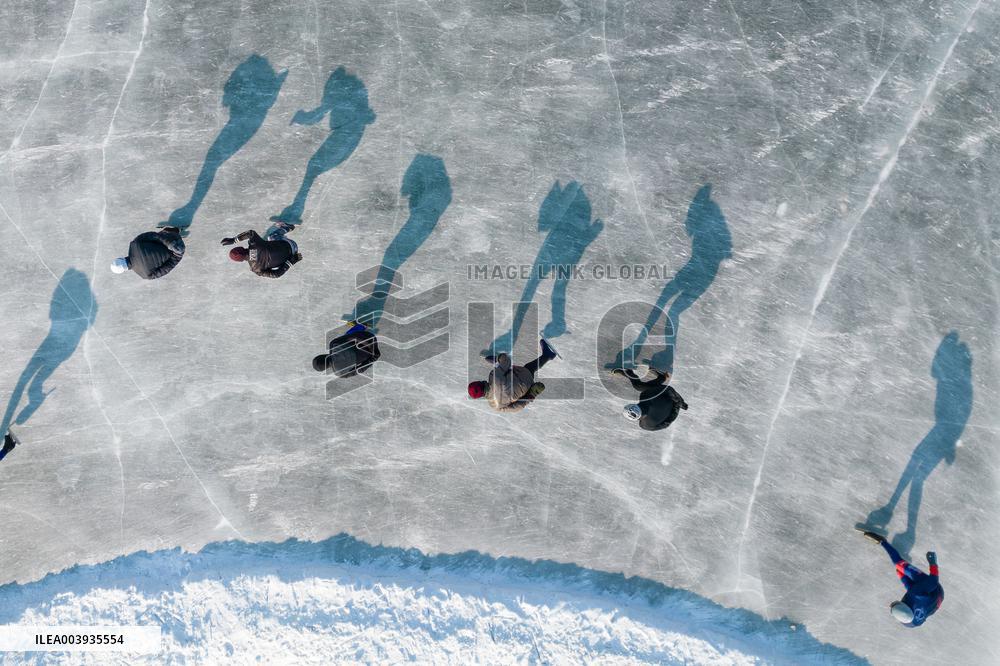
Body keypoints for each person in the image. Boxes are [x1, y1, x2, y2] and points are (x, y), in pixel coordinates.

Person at [861, 531, 943, 627]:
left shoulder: (912, 623)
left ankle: (903, 570)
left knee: (901, 572)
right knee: (898, 564)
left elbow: (909, 587)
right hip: (935, 590)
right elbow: (933, 580)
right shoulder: (916, 593)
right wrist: (932, 563)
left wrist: (902, 575)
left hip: (933, 602)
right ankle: (882, 541)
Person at [468, 339, 557, 412]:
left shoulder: (495, 406)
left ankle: (499, 366)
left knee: (509, 376)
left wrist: (531, 394)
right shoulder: (494, 376)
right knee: (524, 368)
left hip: (525, 391)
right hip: (523, 377)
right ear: (479, 382)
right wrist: (499, 358)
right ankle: (547, 355)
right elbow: (507, 360)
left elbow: (516, 408)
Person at [611, 367, 688, 430]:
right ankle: (628, 371)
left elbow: (666, 424)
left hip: (670, 405)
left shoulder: (645, 426)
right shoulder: (646, 396)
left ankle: (661, 378)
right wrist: (680, 403)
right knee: (638, 386)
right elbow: (668, 389)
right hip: (667, 397)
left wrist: (676, 408)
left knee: (645, 388)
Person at [221, 222, 302, 278]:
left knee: (267, 256)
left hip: (292, 255)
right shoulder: (255, 245)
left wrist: (291, 262)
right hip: (290, 244)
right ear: (241, 247)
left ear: (241, 260)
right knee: (271, 237)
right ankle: (287, 227)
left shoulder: (255, 269)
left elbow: (276, 274)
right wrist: (233, 240)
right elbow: (250, 233)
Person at [110, 228, 185, 279]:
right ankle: (175, 230)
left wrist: (178, 255)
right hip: (172, 237)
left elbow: (168, 267)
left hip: (179, 250)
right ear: (121, 258)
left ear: (124, 270)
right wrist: (169, 243)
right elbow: (153, 235)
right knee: (156, 236)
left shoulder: (145, 275)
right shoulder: (134, 244)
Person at [313, 322, 380, 377]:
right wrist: (371, 346)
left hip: (371, 351)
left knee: (345, 341)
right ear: (323, 356)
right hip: (368, 337)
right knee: (346, 336)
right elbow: (354, 337)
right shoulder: (333, 345)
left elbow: (361, 369)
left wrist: (374, 356)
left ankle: (360, 329)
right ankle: (361, 326)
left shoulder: (341, 374)